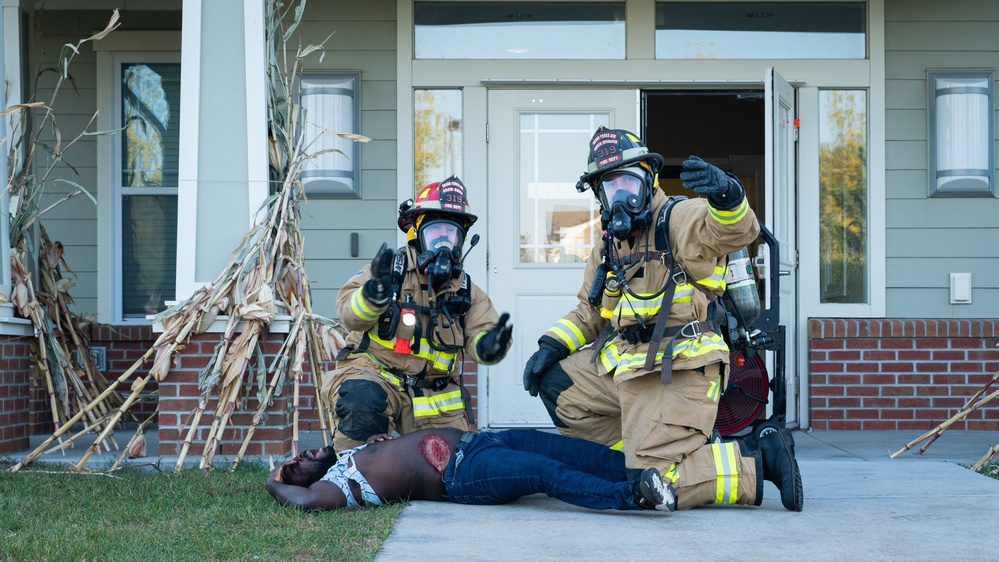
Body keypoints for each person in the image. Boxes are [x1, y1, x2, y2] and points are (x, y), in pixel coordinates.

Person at [521, 127, 803, 512]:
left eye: (628, 184)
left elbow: (733, 230)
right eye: (610, 189)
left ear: (649, 179)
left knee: (649, 488)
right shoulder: (609, 245)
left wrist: (729, 195)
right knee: (558, 384)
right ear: (599, 195)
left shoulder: (678, 220)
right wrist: (551, 344)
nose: (621, 198)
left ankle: (755, 459)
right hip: (626, 366)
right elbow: (591, 309)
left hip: (679, 367)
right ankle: (641, 455)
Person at [325, 176, 513, 451]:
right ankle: (350, 478)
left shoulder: (466, 292)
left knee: (454, 468)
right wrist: (373, 295)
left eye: (451, 236)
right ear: (417, 234)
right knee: (361, 401)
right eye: (436, 234)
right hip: (375, 376)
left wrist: (490, 346)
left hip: (433, 396)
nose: (443, 245)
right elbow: (349, 314)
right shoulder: (391, 273)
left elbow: (483, 332)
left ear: (461, 241)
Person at [266, 427, 676, 512]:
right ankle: (635, 495)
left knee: (578, 452)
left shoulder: (350, 454)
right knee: (545, 472)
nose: (300, 457)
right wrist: (274, 481)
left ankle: (661, 478)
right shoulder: (336, 487)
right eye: (295, 466)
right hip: (465, 473)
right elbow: (301, 502)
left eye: (296, 456)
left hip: (483, 440)